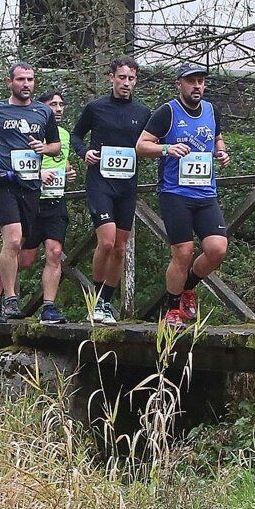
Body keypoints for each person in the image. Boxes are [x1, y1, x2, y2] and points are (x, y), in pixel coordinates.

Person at [137, 64, 231, 328]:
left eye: (201, 81)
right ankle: (172, 309)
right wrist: (166, 148)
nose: (197, 86)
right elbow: (141, 146)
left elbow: (217, 138)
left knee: (217, 249)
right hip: (175, 192)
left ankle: (188, 286)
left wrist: (221, 152)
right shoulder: (167, 112)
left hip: (205, 192)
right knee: (183, 252)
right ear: (179, 84)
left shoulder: (211, 110)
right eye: (191, 82)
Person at [0, 61, 62, 323]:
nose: (26, 84)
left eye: (30, 80)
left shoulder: (43, 112)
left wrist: (43, 149)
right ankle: (10, 299)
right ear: (10, 82)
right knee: (12, 240)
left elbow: (55, 145)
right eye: (21, 79)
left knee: (20, 243)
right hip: (3, 181)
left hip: (31, 184)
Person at [72, 57, 150, 325]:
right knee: (106, 241)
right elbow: (75, 136)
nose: (126, 83)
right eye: (122, 77)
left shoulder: (142, 112)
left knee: (119, 247)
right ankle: (95, 298)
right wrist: (85, 153)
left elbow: (152, 141)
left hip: (127, 185)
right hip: (100, 182)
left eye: (131, 78)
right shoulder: (96, 108)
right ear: (112, 78)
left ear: (135, 81)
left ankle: (106, 301)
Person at [18, 88, 74, 324]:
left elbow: (62, 158)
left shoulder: (64, 135)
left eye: (61, 105)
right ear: (42, 108)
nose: (58, 109)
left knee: (54, 252)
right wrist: (38, 173)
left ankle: (49, 308)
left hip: (55, 202)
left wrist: (68, 170)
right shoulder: (30, 131)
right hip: (31, 201)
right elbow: (18, 162)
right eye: (53, 104)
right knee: (25, 259)